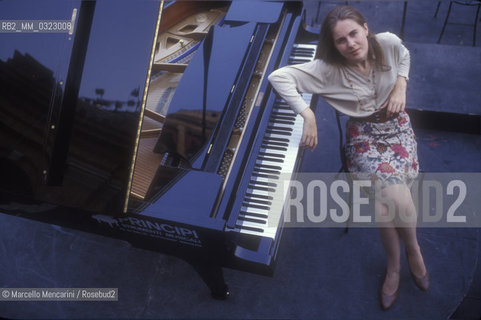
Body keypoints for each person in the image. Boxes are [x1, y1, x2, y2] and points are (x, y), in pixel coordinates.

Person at [268, 5, 429, 310]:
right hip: (363, 138)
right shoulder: (327, 69)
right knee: (394, 193)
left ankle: (397, 262)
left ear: (365, 29)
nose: (351, 44)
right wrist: (308, 113)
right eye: (341, 40)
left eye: (354, 33)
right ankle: (411, 252)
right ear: (335, 45)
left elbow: (404, 56)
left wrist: (401, 84)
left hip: (397, 128)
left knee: (385, 203)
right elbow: (279, 77)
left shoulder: (389, 43)